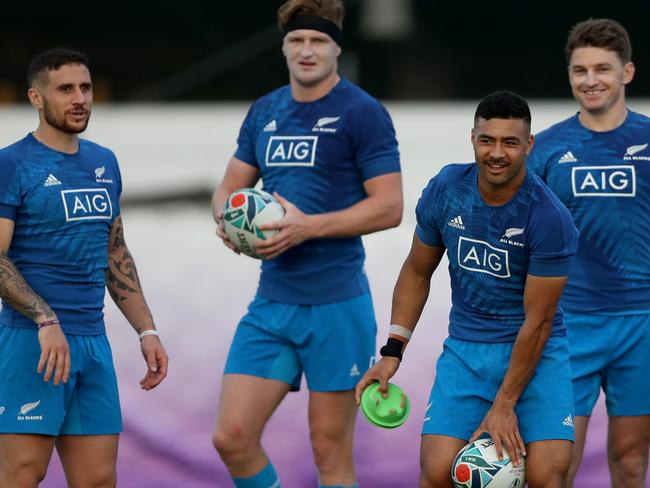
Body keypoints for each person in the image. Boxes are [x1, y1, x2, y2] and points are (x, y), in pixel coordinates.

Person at [210, 1, 402, 486]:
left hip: (337, 305)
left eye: (318, 41)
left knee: (328, 450)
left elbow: (389, 207)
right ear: (284, 48)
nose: (307, 50)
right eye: (297, 41)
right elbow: (226, 191)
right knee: (232, 437)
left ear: (337, 48)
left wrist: (306, 227)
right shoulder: (266, 110)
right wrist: (231, 223)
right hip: (272, 304)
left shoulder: (363, 112)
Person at [356, 91, 579, 488]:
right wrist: (392, 352)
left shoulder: (549, 218)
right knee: (438, 475)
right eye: (487, 140)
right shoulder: (447, 188)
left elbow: (540, 321)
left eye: (510, 142)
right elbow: (416, 272)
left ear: (528, 145)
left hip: (537, 353)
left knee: (548, 477)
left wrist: (505, 403)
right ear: (472, 138)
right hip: (467, 353)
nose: (497, 152)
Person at [0, 48, 168, 488]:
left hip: (93, 343)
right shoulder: (11, 164)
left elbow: (115, 253)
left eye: (86, 88)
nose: (79, 98)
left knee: (96, 480)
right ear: (36, 98)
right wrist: (44, 318)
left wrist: (146, 330)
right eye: (66, 89)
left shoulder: (104, 161)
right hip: (32, 342)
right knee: (22, 474)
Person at [526, 18, 650, 487]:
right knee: (556, 468)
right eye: (580, 70)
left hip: (642, 325)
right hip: (567, 327)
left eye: (603, 68)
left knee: (631, 460)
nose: (591, 80)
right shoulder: (547, 151)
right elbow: (520, 240)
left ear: (627, 73)